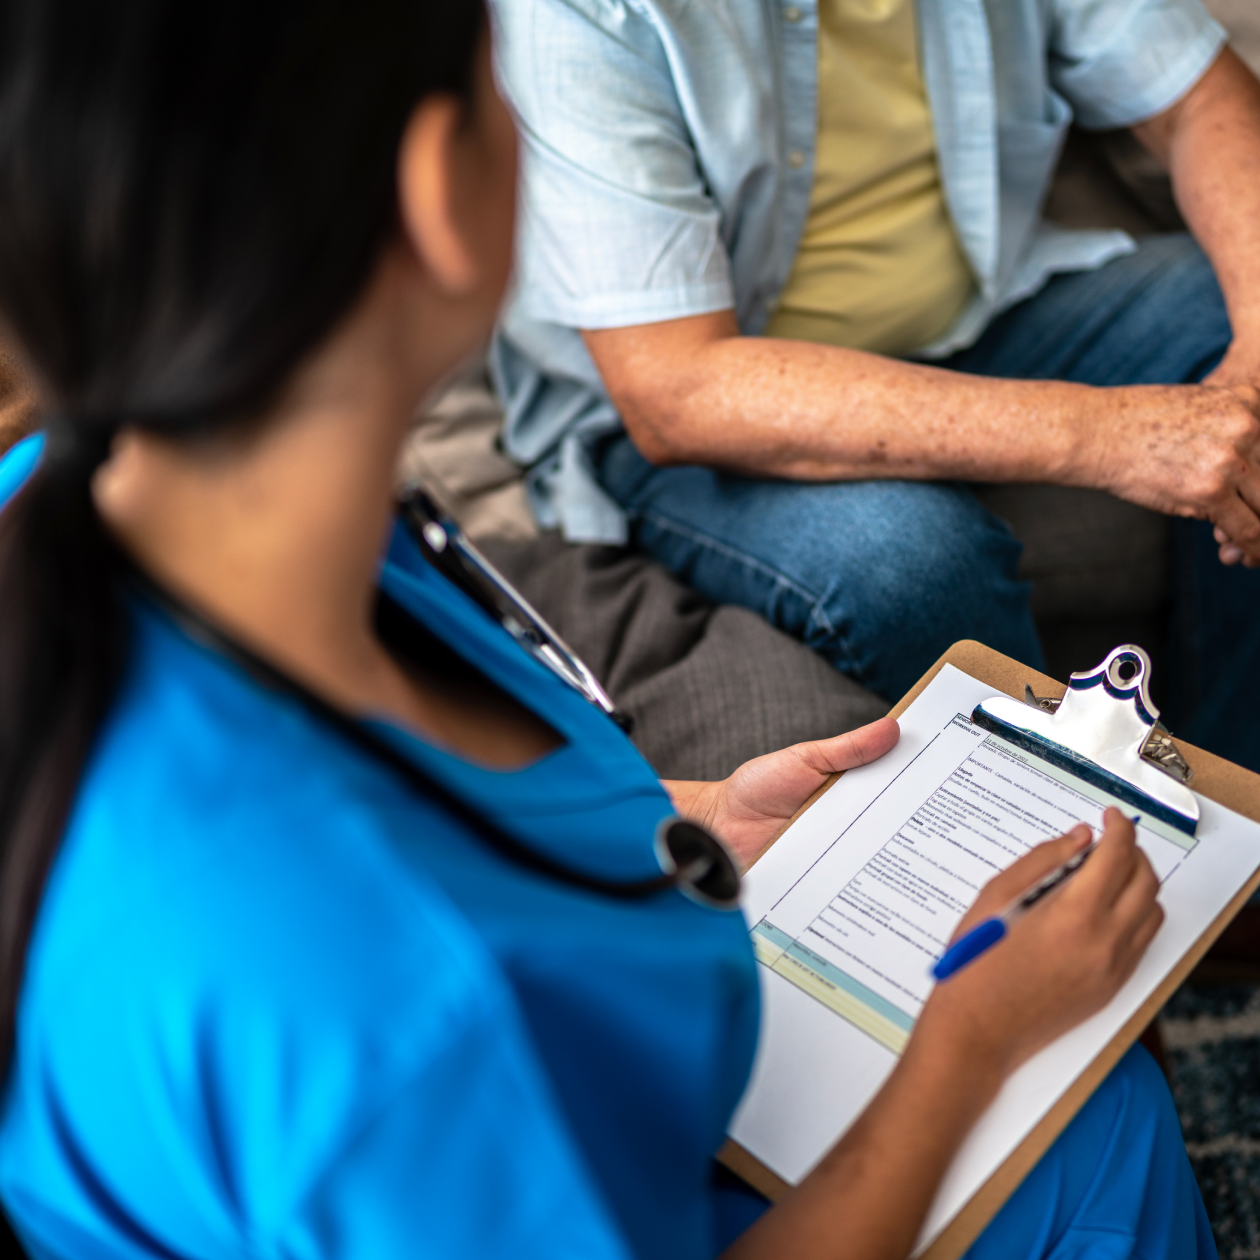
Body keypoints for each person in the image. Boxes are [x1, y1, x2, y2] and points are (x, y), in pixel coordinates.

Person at [0, 2, 1214, 1257]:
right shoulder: (395, 1015)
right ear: (435, 189)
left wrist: (690, 821)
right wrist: (972, 1038)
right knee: (1092, 1121)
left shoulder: (124, 510)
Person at [488, 0, 1260, 709]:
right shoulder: (576, 13)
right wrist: (1110, 435)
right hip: (682, 417)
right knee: (912, 562)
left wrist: (1251, 366)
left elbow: (1195, 97)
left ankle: (1236, 805)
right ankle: (1058, 843)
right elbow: (676, 391)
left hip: (985, 315)